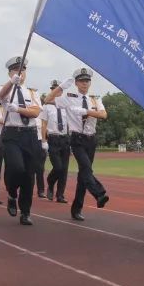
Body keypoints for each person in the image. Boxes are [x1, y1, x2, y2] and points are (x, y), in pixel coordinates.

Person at [45, 68, 109, 222]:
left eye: (87, 81)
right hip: (77, 139)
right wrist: (61, 87)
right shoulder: (68, 97)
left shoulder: (95, 99)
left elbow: (103, 115)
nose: (84, 83)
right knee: (86, 168)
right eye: (81, 81)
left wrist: (86, 111)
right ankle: (99, 193)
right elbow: (47, 100)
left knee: (83, 176)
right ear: (76, 83)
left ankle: (76, 209)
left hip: (91, 139)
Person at [0, 56, 42, 226]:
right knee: (16, 168)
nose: (20, 73)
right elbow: (1, 95)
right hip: (12, 135)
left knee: (29, 175)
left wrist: (18, 109)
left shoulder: (32, 92)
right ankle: (11, 193)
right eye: (16, 70)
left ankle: (25, 211)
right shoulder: (6, 89)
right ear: (10, 73)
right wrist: (11, 83)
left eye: (22, 70)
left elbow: (35, 112)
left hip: (30, 135)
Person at [41, 80, 69, 203]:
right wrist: (43, 140)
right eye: (54, 89)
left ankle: (60, 195)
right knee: (58, 167)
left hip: (65, 139)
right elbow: (43, 124)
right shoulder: (46, 106)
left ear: (62, 92)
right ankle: (51, 182)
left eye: (59, 89)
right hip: (53, 138)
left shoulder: (66, 106)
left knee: (64, 169)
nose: (56, 91)